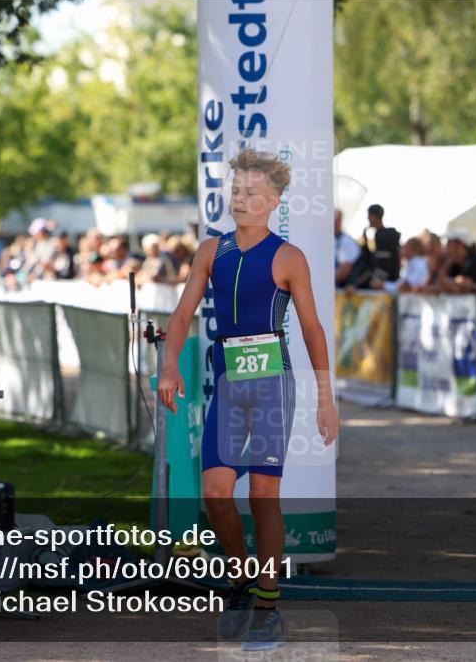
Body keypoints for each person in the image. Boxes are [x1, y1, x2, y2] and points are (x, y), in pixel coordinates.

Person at [157, 149, 339, 651]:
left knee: (263, 496)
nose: (239, 200)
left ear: (273, 202)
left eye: (251, 194)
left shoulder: (288, 257)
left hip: (272, 385)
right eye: (235, 191)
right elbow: (181, 314)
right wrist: (169, 365)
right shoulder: (211, 250)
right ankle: (241, 580)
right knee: (215, 493)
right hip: (229, 384)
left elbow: (313, 331)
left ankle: (268, 603)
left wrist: (326, 399)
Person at [353, 204, 401, 287]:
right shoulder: (377, 235)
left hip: (386, 285)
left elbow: (384, 263)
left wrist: (378, 281)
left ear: (373, 216)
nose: (368, 219)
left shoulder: (385, 237)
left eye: (369, 216)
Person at [334, 209, 361, 287]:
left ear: (340, 221)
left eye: (336, 219)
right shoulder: (329, 240)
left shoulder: (346, 241)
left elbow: (344, 271)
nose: (334, 222)